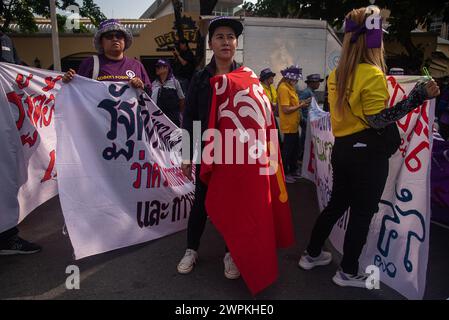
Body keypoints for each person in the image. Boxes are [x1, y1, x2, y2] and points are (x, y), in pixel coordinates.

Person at [298, 6, 440, 288]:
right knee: (362, 213)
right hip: (367, 154)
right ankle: (348, 271)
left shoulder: (335, 75)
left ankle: (311, 253)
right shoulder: (372, 75)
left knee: (337, 205)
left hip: (343, 150)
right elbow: (378, 120)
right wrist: (418, 96)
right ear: (374, 40)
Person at [177, 17, 245, 280]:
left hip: (236, 155)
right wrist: (186, 155)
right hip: (206, 152)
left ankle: (231, 253)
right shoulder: (199, 78)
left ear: (236, 43)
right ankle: (191, 250)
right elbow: (190, 118)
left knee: (234, 206)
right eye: (220, 36)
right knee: (201, 205)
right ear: (211, 44)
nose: (226, 41)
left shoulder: (245, 77)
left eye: (230, 36)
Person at [0, 31, 42, 256]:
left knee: (7, 174)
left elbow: (17, 69)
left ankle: (6, 236)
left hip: (7, 114)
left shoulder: (5, 39)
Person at [62, 19, 151, 94]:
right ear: (101, 42)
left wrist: (141, 86)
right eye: (109, 36)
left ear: (125, 40)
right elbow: (77, 93)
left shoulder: (136, 65)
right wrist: (68, 82)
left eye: (119, 36)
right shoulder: (89, 63)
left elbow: (149, 95)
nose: (115, 39)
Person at [277, 65, 310, 184]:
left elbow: (292, 104)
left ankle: (293, 170)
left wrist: (301, 103)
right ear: (290, 78)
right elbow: (286, 109)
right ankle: (285, 173)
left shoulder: (290, 88)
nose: (296, 81)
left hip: (294, 125)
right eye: (295, 79)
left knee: (294, 149)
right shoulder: (284, 88)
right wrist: (301, 105)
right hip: (288, 126)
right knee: (288, 151)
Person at [151, 59, 185, 127]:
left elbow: (182, 99)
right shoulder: (154, 83)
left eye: (159, 67)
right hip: (158, 119)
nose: (156, 69)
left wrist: (179, 114)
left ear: (166, 68)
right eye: (156, 67)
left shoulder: (175, 82)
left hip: (173, 119)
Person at [299, 74, 324, 159]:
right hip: (306, 120)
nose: (319, 84)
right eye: (317, 82)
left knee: (307, 140)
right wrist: (302, 120)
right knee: (305, 141)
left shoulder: (312, 92)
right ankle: (301, 158)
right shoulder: (306, 92)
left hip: (310, 121)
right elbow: (299, 105)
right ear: (311, 83)